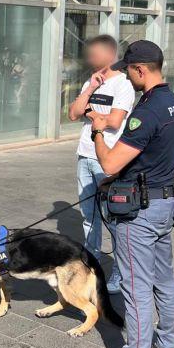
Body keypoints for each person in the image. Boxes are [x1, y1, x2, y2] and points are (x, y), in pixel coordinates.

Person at [88, 40, 174, 348]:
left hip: (139, 214)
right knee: (164, 279)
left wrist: (98, 129)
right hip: (165, 203)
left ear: (141, 70)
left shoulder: (148, 111)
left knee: (135, 289)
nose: (127, 77)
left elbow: (111, 163)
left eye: (129, 71)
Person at [67, 35, 134, 294]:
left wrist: (92, 113)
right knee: (89, 217)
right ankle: (90, 265)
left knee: (113, 218)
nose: (91, 59)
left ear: (110, 54)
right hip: (84, 155)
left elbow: (115, 122)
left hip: (107, 158)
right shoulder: (91, 81)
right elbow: (73, 113)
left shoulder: (123, 85)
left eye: (96, 54)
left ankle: (120, 270)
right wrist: (89, 90)